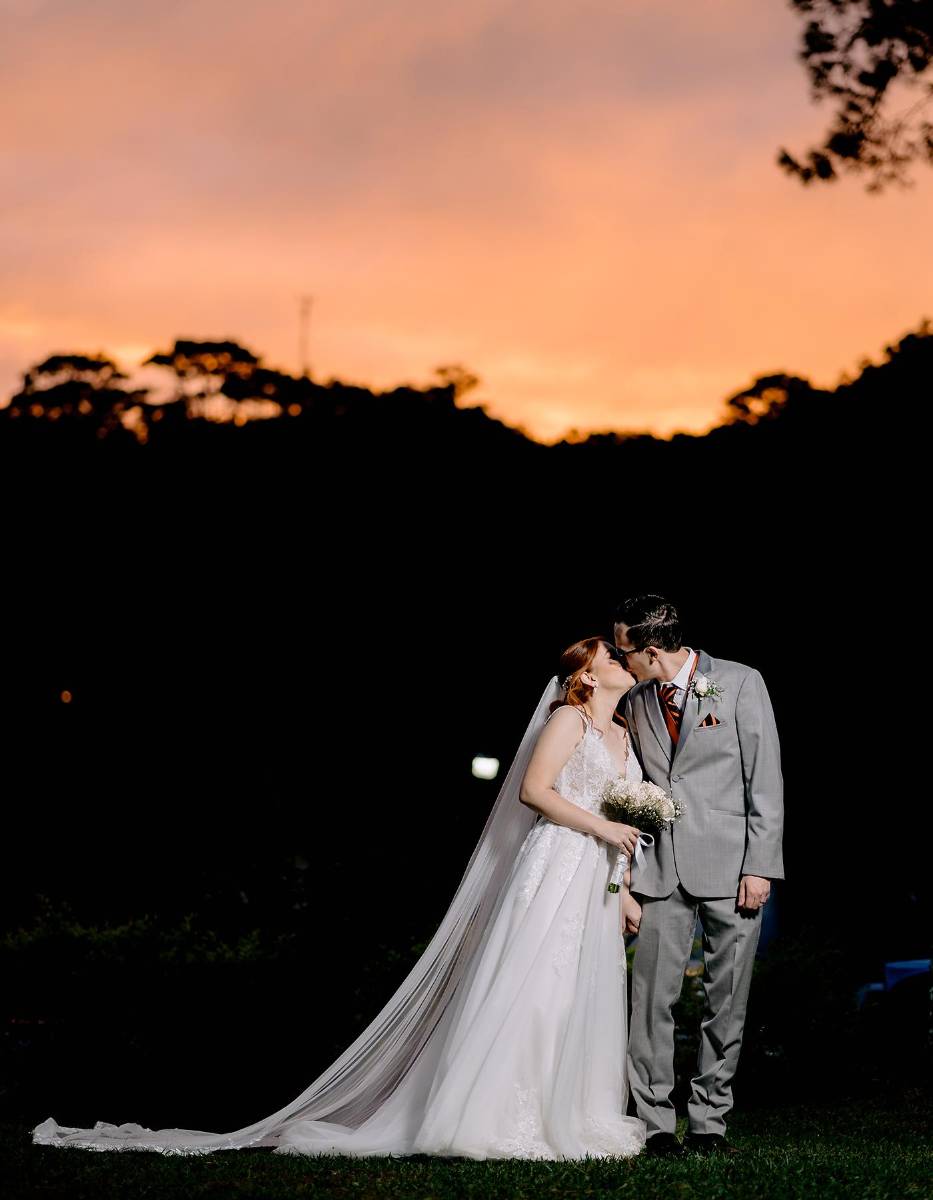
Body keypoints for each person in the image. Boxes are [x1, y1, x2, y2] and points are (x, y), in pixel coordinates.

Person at [33, 637, 646, 1160]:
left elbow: (619, 813)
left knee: (576, 991)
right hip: (554, 864)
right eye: (607, 655)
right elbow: (535, 792)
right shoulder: (567, 718)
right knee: (531, 987)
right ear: (586, 673)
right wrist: (602, 828)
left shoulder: (621, 734)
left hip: (597, 875)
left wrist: (620, 888)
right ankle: (493, 1115)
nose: (621, 660)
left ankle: (567, 1112)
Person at [614, 595, 784, 1156]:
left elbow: (765, 782)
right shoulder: (636, 700)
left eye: (624, 652)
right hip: (659, 872)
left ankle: (710, 1121)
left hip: (733, 870)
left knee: (725, 1002)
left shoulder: (739, 682)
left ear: (651, 649)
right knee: (650, 1005)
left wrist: (760, 866)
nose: (619, 661)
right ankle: (655, 1123)